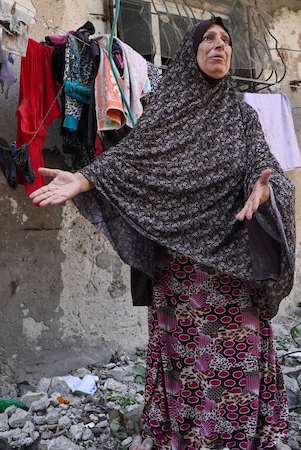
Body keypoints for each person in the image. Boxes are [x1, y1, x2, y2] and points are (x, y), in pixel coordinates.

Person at [30, 17, 294, 450]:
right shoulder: (166, 106)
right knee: (186, 354)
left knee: (238, 352)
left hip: (233, 263)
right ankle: (187, 436)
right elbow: (135, 158)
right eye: (208, 39)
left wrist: (266, 188)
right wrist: (85, 179)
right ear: (191, 52)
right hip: (183, 269)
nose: (219, 47)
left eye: (226, 41)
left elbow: (260, 163)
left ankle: (238, 437)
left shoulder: (243, 116)